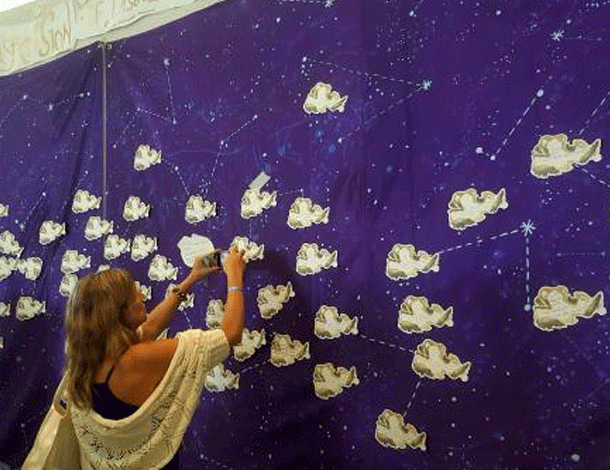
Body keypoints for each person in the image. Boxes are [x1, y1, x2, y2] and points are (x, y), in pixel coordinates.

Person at [62, 247, 246, 469]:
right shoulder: (136, 360)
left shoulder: (89, 359)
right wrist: (234, 275)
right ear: (118, 312)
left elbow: (149, 328)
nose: (142, 296)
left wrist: (191, 278)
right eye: (134, 294)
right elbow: (230, 335)